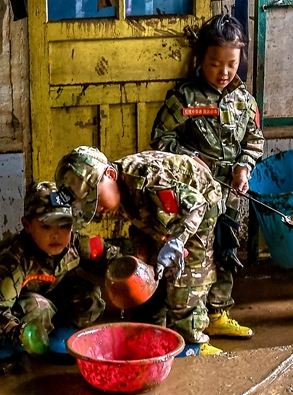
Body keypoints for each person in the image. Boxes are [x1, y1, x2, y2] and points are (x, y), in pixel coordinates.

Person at [151, 14, 264, 339]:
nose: (224, 72)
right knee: (193, 258)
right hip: (193, 200)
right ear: (201, 59)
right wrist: (191, 160)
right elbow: (160, 138)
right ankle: (185, 322)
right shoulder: (184, 98)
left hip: (229, 196)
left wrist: (245, 166)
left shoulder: (245, 101)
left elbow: (255, 140)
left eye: (231, 64)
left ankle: (218, 312)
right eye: (216, 63)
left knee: (225, 252)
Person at [55, 146, 226, 354]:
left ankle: (194, 345)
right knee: (151, 274)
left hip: (199, 212)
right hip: (161, 216)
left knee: (185, 282)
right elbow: (142, 216)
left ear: (110, 175)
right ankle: (153, 333)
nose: (97, 209)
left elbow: (196, 205)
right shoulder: (121, 190)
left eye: (96, 200)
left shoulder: (147, 179)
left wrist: (178, 240)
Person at [0, 181, 106, 374]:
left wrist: (131, 270)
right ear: (27, 225)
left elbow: (108, 256)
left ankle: (56, 339)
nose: (56, 234)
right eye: (46, 226)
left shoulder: (75, 243)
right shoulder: (12, 260)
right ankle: (10, 348)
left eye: (64, 225)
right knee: (38, 308)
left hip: (50, 295)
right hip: (14, 309)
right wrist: (16, 332)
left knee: (90, 296)